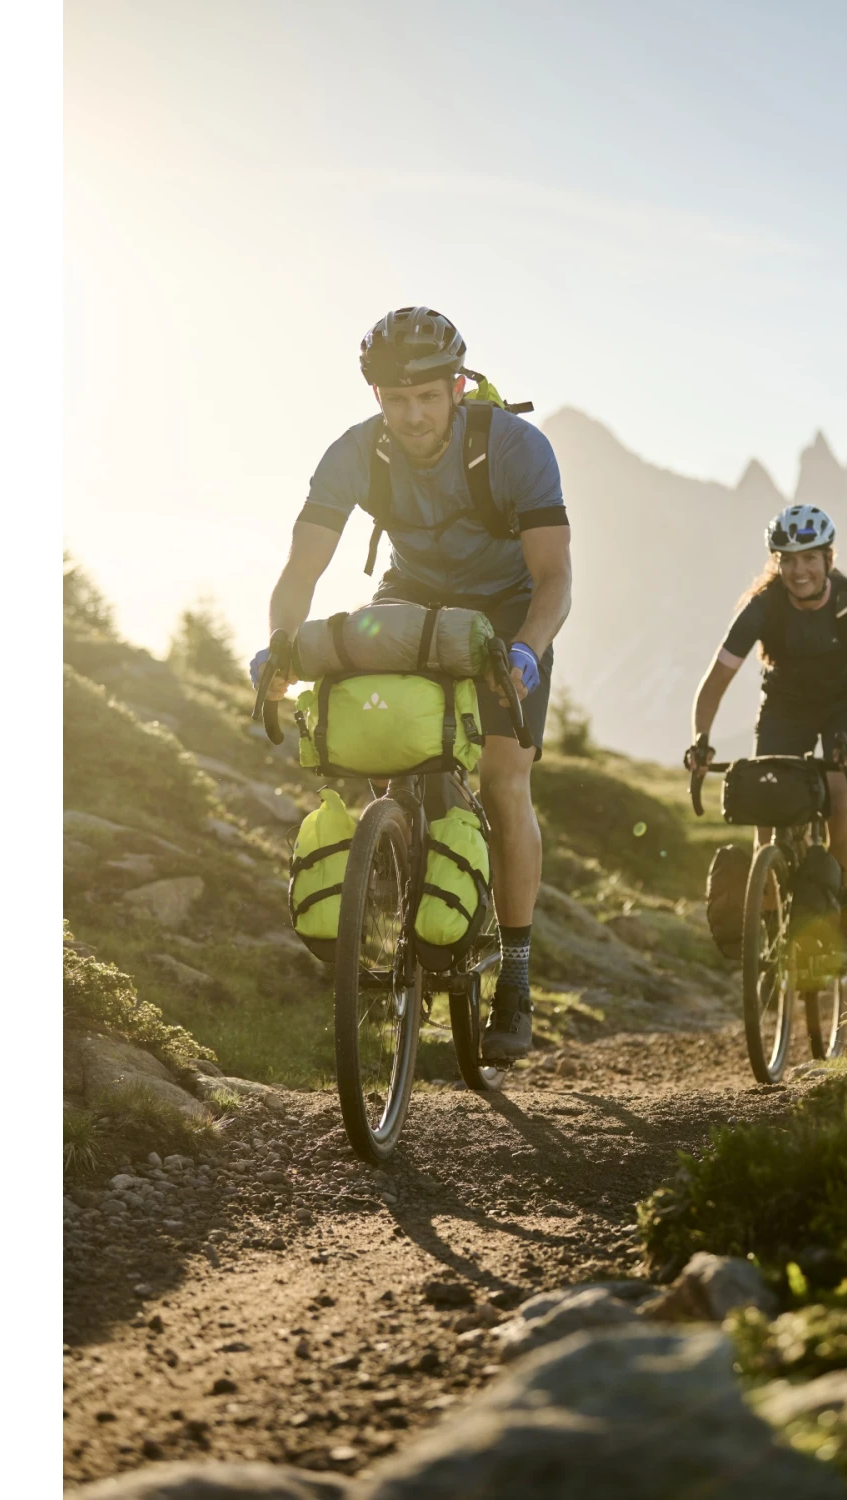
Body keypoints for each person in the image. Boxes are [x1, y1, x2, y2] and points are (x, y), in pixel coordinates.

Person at [251, 307, 572, 1060]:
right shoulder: (355, 453)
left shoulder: (515, 446)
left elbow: (555, 576)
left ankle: (515, 977)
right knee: (382, 741)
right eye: (396, 400)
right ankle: (399, 857)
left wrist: (527, 650)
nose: (414, 414)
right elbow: (302, 567)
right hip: (410, 599)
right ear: (377, 397)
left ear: (457, 386)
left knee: (504, 780)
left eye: (428, 396)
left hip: (509, 609)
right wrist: (279, 645)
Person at [685, 503, 847, 929]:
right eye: (787, 560)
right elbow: (715, 682)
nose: (799, 571)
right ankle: (767, 921)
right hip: (786, 706)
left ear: (828, 559)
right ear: (776, 562)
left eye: (809, 559)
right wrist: (701, 740)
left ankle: (843, 916)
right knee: (767, 807)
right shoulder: (762, 607)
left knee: (841, 798)